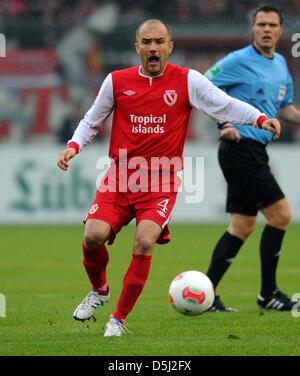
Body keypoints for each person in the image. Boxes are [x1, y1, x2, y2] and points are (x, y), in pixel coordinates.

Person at [57, 19, 280, 336]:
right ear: (137, 47)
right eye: (146, 42)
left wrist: (258, 118)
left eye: (159, 42)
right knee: (92, 237)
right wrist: (73, 146)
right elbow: (92, 120)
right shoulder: (117, 81)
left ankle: (117, 320)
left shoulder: (188, 81)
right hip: (119, 178)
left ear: (170, 46)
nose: (153, 48)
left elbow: (224, 104)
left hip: (160, 181)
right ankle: (100, 290)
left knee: (144, 241)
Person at [205, 5, 300, 312]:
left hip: (255, 150)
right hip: (239, 148)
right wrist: (224, 123)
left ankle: (206, 296)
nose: (266, 29)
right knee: (281, 215)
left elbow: (284, 108)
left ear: (281, 30)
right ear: (253, 28)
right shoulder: (238, 60)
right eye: (261, 24)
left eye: (272, 24)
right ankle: (268, 293)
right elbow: (201, 88)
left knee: (242, 225)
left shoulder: (281, 64)